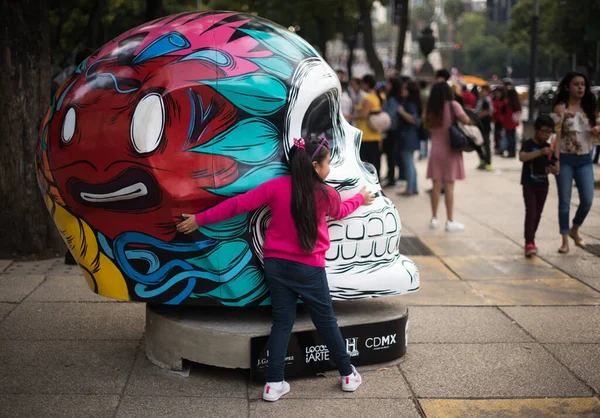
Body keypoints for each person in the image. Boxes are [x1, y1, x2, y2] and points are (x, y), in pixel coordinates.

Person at [176, 136, 373, 401]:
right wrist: (360, 198)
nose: (329, 170)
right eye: (327, 164)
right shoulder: (327, 194)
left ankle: (273, 383)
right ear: (315, 166)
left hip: (276, 266)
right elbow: (340, 211)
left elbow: (237, 205)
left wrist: (200, 220)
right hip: (309, 269)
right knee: (326, 321)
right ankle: (348, 374)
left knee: (282, 322)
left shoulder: (276, 186)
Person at [551, 72, 600, 254]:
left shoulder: (590, 107)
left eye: (583, 84)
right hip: (565, 158)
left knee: (587, 200)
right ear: (568, 87)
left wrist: (597, 128)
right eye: (576, 84)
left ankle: (575, 228)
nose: (580, 88)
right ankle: (564, 239)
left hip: (585, 159)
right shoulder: (560, 109)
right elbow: (557, 136)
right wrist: (555, 160)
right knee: (564, 201)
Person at [424, 82, 473, 231]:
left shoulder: (430, 109)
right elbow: (466, 120)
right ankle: (450, 221)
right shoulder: (453, 105)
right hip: (451, 150)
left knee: (436, 186)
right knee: (450, 185)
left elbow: (426, 125)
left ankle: (434, 218)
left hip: (436, 151)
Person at [519, 115, 558, 257]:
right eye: (544, 131)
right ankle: (530, 241)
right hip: (529, 183)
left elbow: (553, 167)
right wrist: (540, 152)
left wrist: (553, 169)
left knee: (538, 213)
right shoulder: (529, 143)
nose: (547, 135)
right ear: (536, 129)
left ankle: (530, 239)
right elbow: (522, 157)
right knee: (531, 211)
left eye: (549, 132)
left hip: (543, 184)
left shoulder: (549, 147)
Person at [350, 74, 385, 176]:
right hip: (374, 135)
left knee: (367, 162)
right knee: (374, 161)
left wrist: (348, 116)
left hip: (366, 135)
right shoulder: (376, 96)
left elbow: (363, 115)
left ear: (366, 84)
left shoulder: (368, 98)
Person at [397, 80, 422, 196]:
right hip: (411, 136)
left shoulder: (409, 104)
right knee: (410, 162)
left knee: (408, 163)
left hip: (408, 136)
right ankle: (413, 187)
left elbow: (413, 119)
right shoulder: (412, 102)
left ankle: (410, 188)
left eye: (404, 89)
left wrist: (401, 112)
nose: (402, 91)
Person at [382, 77, 404, 187]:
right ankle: (391, 175)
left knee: (391, 155)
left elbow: (389, 116)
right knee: (391, 154)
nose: (386, 85)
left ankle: (391, 178)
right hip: (393, 130)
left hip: (391, 131)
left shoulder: (392, 99)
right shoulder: (394, 98)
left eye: (388, 83)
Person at [475, 85, 493, 170]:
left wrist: (476, 117)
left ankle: (488, 162)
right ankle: (483, 161)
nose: (480, 92)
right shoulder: (481, 100)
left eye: (482, 90)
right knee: (480, 144)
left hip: (485, 126)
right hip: (481, 126)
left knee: (486, 145)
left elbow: (485, 112)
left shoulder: (486, 100)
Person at [501, 88, 522, 158]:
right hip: (514, 122)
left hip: (508, 122)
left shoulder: (507, 102)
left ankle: (510, 152)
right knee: (513, 138)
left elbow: (504, 111)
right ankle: (513, 152)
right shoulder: (517, 102)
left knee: (509, 138)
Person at [492, 88, 506, 155]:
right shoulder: (493, 101)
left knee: (501, 135)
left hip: (502, 121)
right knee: (496, 134)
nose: (497, 95)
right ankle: (497, 147)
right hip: (496, 120)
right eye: (496, 93)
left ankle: (501, 148)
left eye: (498, 93)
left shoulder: (504, 101)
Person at [418, 80, 430, 159]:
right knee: (426, 136)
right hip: (428, 116)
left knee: (421, 136)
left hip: (420, 117)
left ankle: (422, 152)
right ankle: (426, 152)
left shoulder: (419, 94)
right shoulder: (428, 93)